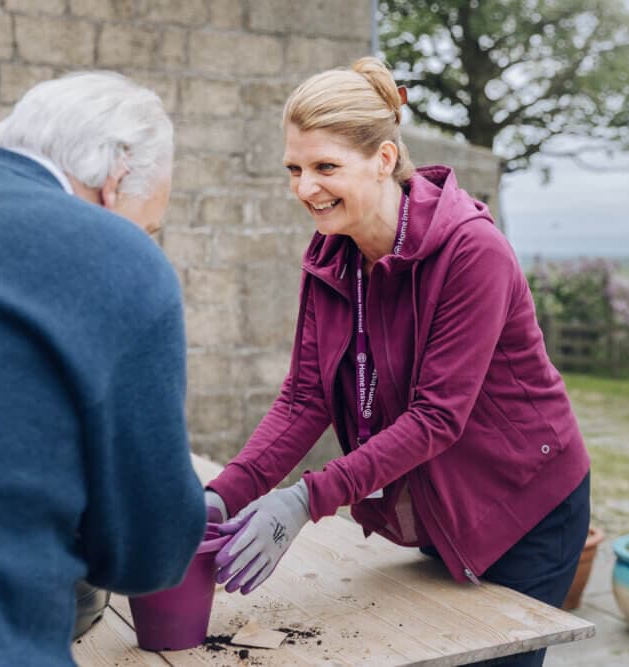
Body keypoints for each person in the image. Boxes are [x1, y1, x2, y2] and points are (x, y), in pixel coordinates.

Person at [204, 58, 591, 667]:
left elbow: (437, 417)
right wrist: (223, 496)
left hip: (525, 504)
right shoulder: (332, 254)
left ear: (384, 159)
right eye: (295, 169)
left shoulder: (472, 252)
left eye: (326, 167)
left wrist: (305, 500)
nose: (305, 188)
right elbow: (307, 398)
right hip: (442, 500)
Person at [0, 72, 206, 666]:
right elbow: (149, 556)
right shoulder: (117, 257)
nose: (146, 244)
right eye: (150, 226)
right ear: (114, 181)